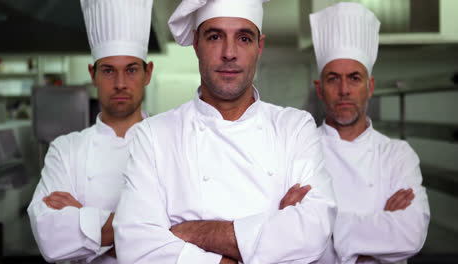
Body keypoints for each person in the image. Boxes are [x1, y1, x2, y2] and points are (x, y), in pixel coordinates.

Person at [113, 0, 337, 263]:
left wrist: (190, 233)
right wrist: (270, 232)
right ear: (196, 43)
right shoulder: (153, 135)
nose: (229, 53)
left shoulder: (294, 127)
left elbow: (313, 234)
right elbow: (134, 248)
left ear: (259, 46)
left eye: (243, 37)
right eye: (215, 36)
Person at [27, 0, 154, 263]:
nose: (120, 84)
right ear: (93, 75)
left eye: (131, 70)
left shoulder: (171, 142)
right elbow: (50, 239)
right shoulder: (65, 150)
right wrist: (150, 234)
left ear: (147, 73)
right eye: (108, 71)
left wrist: (83, 218)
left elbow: (186, 241)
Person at [310, 2, 430, 264]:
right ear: (320, 89)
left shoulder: (398, 155)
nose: (344, 90)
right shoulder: (302, 151)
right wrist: (381, 226)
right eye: (333, 78)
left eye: (354, 78)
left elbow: (411, 233)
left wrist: (328, 229)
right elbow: (292, 238)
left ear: (370, 86)